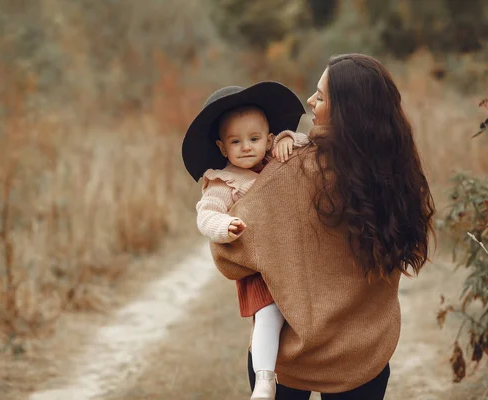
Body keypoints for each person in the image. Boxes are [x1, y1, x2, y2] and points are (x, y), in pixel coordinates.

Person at [210, 54, 436, 399]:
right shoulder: (397, 174)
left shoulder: (293, 171)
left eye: (321, 95)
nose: (310, 102)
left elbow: (228, 256)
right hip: (364, 354)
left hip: (293, 356)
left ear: (346, 108)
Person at [181, 82, 309, 400]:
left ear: (268, 138)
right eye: (236, 141)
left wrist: (290, 139)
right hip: (261, 270)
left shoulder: (280, 159)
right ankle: (265, 379)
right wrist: (225, 225)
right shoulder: (224, 181)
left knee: (306, 316)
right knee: (268, 314)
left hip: (295, 264)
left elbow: (311, 147)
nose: (247, 147)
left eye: (254, 139)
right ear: (223, 148)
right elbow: (205, 214)